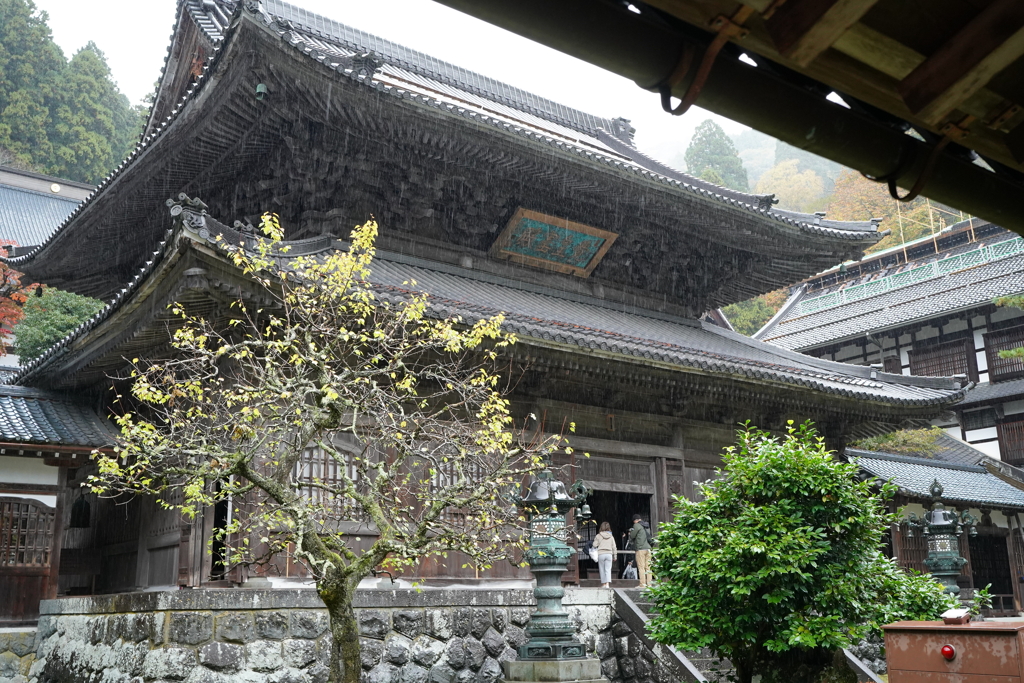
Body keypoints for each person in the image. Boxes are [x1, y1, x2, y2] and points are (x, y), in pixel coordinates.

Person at [628, 514, 653, 588]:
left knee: (641, 567)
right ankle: (649, 584)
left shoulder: (636, 525)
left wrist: (630, 531)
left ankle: (642, 584)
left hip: (640, 549)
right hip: (648, 549)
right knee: (648, 567)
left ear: (635, 520)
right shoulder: (646, 526)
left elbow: (632, 536)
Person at [592, 521, 617, 588]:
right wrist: (615, 556)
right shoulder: (611, 536)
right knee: (608, 569)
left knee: (602, 569)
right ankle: (607, 584)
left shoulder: (598, 536)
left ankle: (603, 584)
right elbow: (614, 547)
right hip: (609, 554)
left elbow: (594, 545)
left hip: (601, 554)